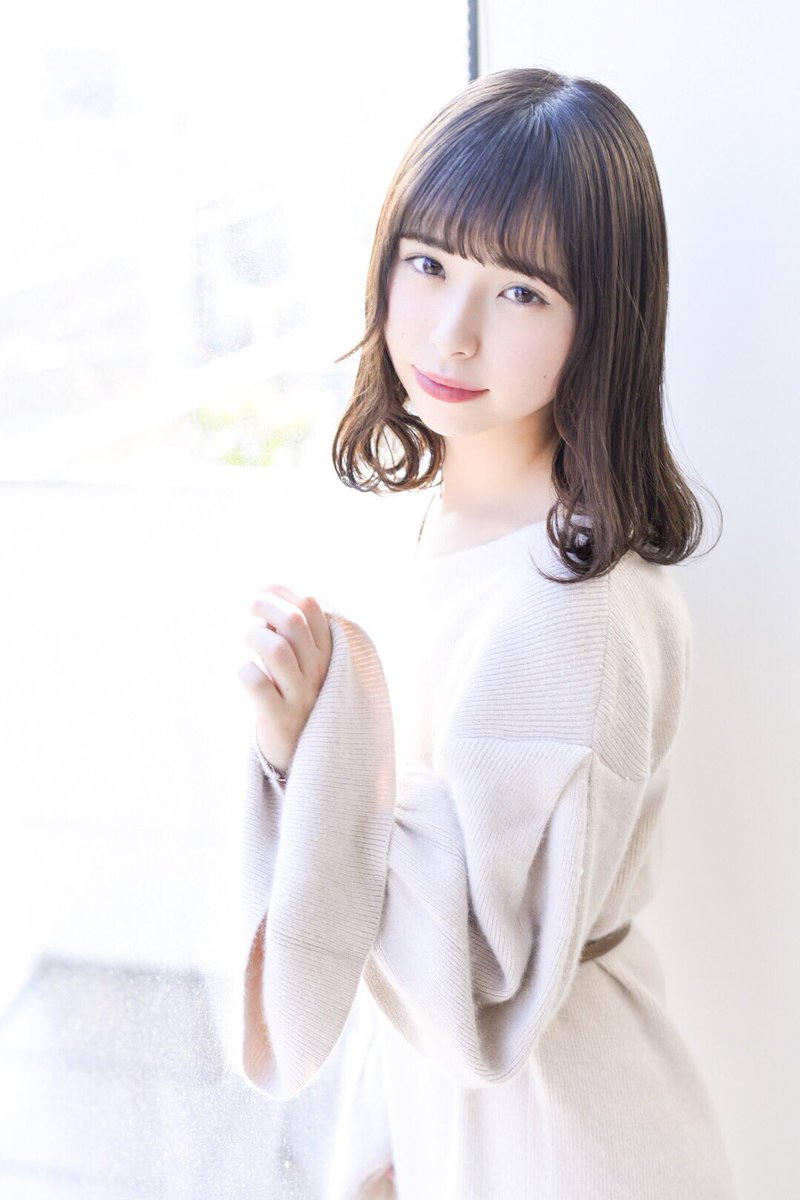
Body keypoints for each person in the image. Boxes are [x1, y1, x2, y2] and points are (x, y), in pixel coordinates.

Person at [235, 67, 738, 1199]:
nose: (451, 335)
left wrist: (315, 747)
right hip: (455, 1112)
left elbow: (477, 967)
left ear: (601, 320)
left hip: (557, 1133)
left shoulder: (574, 604)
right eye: (427, 264)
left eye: (519, 292)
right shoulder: (427, 514)